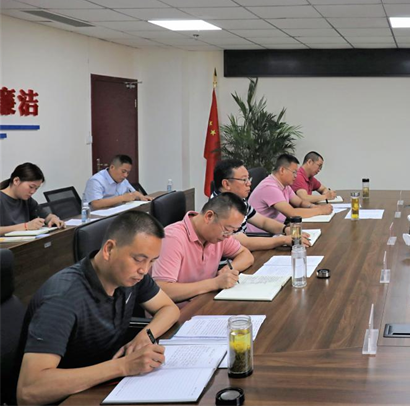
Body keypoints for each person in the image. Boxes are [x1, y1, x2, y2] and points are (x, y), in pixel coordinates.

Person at [15, 212, 180, 406]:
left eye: (152, 261)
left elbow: (169, 309)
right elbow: (29, 390)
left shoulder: (131, 277)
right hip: (67, 399)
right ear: (109, 249)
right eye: (138, 259)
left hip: (101, 387)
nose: (145, 270)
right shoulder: (62, 297)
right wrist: (123, 366)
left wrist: (145, 335)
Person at [151, 193, 254, 303]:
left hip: (205, 302)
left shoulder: (219, 235)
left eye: (233, 231)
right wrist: (214, 283)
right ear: (209, 216)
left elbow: (246, 255)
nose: (228, 236)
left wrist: (227, 270)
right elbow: (163, 290)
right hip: (179, 310)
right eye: (227, 229)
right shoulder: (172, 238)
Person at [211, 158, 309, 249]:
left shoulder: (237, 199)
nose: (249, 183)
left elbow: (263, 222)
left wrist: (286, 229)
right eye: (244, 180)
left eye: (248, 179)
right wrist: (283, 240)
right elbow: (243, 243)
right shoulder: (221, 208)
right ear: (226, 184)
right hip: (231, 259)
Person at [247, 154, 333, 228]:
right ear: (282, 170)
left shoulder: (285, 185)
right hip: (263, 235)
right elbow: (292, 213)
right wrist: (320, 211)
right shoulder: (269, 187)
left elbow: (300, 202)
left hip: (278, 228)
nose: (296, 176)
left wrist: (313, 206)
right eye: (294, 172)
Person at [0, 163, 64, 235]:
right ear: (16, 181)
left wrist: (53, 219)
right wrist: (26, 226)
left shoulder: (27, 200)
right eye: (31, 187)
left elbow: (46, 216)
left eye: (36, 188)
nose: (33, 192)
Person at [84, 155, 151, 210]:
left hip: (118, 212)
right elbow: (96, 203)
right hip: (99, 217)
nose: (125, 175)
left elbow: (133, 192)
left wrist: (142, 197)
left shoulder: (122, 179)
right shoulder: (96, 181)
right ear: (112, 167)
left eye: (128, 172)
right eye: (123, 171)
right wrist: (122, 198)